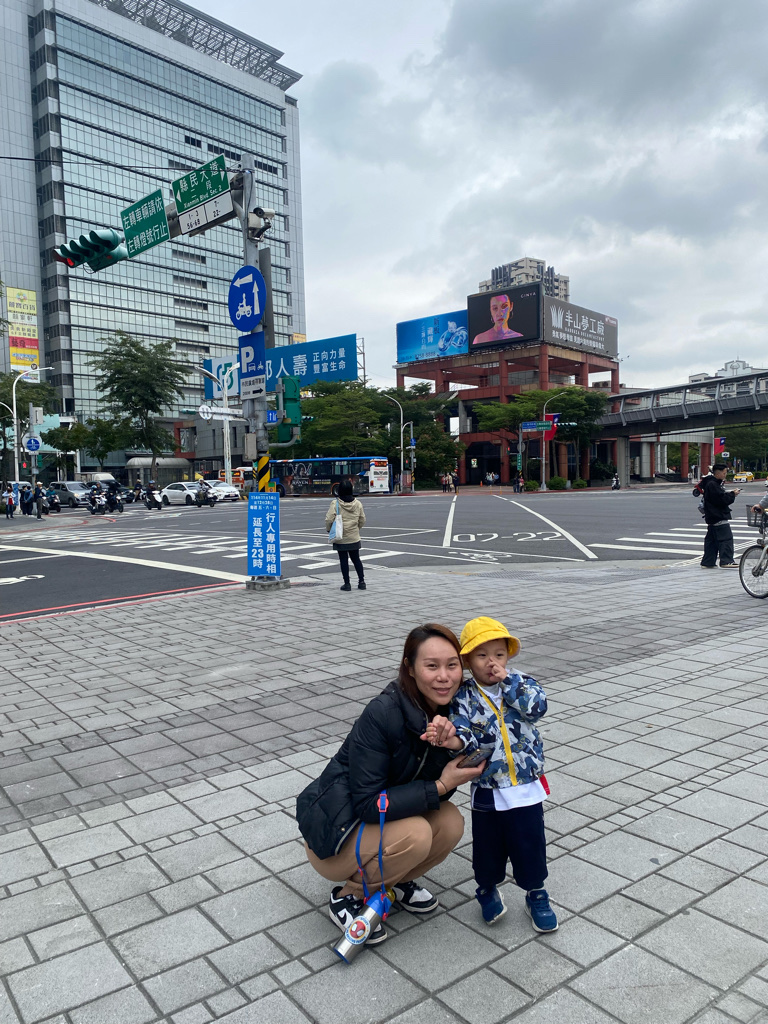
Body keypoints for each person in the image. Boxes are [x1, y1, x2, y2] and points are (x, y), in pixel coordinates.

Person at [297, 623, 485, 946]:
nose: (444, 677)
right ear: (409, 668)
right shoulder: (383, 713)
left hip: (384, 821)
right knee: (418, 834)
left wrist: (453, 749)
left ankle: (392, 882)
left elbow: (433, 794)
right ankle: (347, 896)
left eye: (452, 665)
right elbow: (368, 804)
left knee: (451, 822)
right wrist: (441, 785)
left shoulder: (453, 716)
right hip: (337, 834)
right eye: (432, 666)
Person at [424, 616, 556, 932]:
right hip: (487, 786)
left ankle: (536, 892)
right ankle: (486, 889)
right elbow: (464, 731)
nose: (491, 663)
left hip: (525, 785)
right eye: (482, 656)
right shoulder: (464, 696)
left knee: (530, 843)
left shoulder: (521, 682)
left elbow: (537, 708)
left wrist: (509, 682)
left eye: (498, 654)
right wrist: (453, 740)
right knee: (488, 847)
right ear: (468, 662)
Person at [326, 480, 367, 591]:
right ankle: (362, 582)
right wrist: (356, 529)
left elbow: (329, 519)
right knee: (356, 559)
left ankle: (347, 584)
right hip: (354, 536)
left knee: (343, 560)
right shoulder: (358, 503)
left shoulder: (335, 503)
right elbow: (362, 519)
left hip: (341, 537)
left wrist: (329, 530)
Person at [700, 464, 740, 568]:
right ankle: (726, 561)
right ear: (718, 473)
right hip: (718, 515)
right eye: (724, 473)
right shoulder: (713, 484)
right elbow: (721, 500)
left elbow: (718, 497)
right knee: (726, 539)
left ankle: (708, 562)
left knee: (712, 541)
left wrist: (730, 493)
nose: (725, 475)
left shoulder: (709, 483)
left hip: (711, 516)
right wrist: (732, 494)